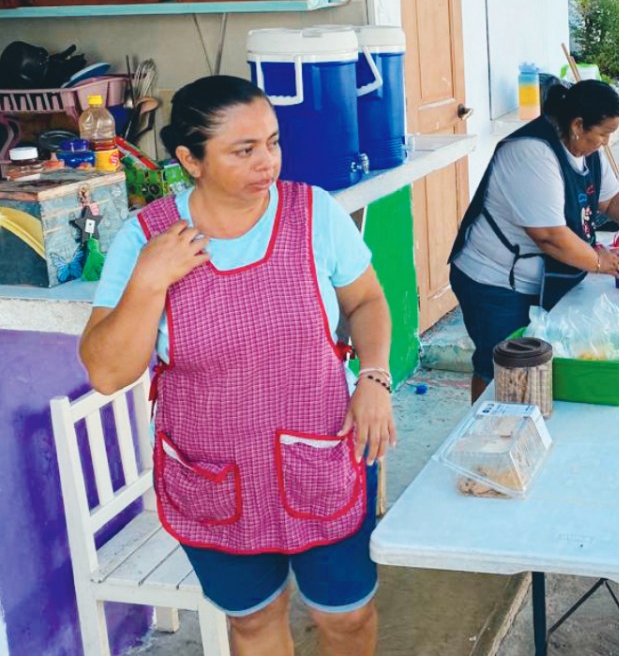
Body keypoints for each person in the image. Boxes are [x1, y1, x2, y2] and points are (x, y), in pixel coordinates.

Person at [79, 75, 393, 656]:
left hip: (322, 451)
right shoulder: (145, 240)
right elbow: (106, 372)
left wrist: (374, 375)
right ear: (189, 160)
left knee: (347, 617)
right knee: (252, 621)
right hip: (214, 470)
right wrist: (150, 279)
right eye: (243, 150)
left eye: (272, 142)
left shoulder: (314, 213)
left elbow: (367, 301)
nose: (267, 162)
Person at [449, 79, 619, 401]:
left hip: (538, 276)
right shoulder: (532, 153)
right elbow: (550, 237)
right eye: (602, 134)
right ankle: (486, 434)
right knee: (500, 368)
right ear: (577, 125)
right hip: (494, 279)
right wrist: (598, 261)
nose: (606, 143)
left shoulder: (587, 150)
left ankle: (523, 425)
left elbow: (611, 200)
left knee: (535, 367)